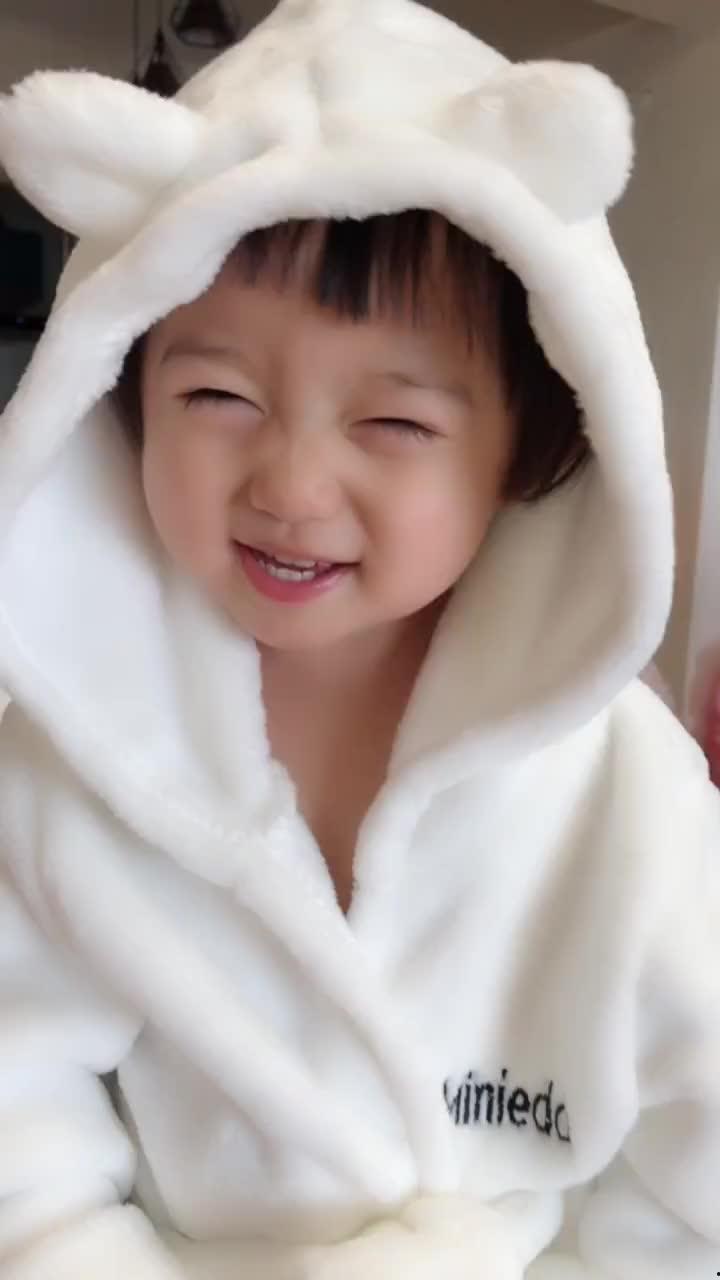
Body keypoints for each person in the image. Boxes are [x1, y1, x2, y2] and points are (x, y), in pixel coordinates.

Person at [0, 1, 717, 1277]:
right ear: (119, 394)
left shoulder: (620, 786)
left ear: (529, 444)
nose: (291, 483)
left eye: (392, 422)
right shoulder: (66, 759)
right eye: (217, 394)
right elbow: (19, 1113)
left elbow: (694, 1160)